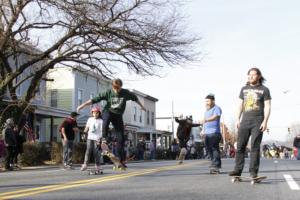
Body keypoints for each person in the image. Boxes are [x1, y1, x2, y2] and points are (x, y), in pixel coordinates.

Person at [77, 78, 146, 168]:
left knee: (121, 138)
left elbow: (135, 98)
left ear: (121, 87)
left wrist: (142, 106)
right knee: (106, 119)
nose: (117, 91)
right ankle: (104, 138)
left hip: (118, 116)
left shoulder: (126, 93)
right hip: (108, 112)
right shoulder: (108, 92)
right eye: (115, 89)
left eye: (118, 89)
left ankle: (120, 159)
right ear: (113, 87)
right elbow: (94, 100)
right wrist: (82, 106)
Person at [229, 67, 271, 178]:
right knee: (240, 146)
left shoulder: (264, 89)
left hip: (258, 121)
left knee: (255, 147)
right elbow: (240, 105)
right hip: (244, 121)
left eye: (253, 74)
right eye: (249, 75)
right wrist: (237, 119)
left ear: (259, 76)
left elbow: (267, 106)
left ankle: (253, 172)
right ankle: (237, 170)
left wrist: (265, 121)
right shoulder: (244, 89)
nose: (250, 76)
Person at [201, 94, 222, 173]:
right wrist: (202, 130)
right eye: (205, 101)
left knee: (214, 148)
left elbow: (216, 117)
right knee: (208, 149)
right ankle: (214, 163)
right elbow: (204, 122)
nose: (206, 103)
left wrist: (206, 120)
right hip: (207, 133)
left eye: (208, 101)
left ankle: (216, 166)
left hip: (214, 132)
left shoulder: (216, 108)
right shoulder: (206, 111)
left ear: (213, 101)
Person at [81, 107, 103, 171]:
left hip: (97, 138)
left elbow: (102, 131)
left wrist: (100, 139)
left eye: (97, 113)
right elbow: (87, 127)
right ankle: (85, 164)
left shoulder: (101, 121)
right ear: (92, 113)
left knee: (96, 152)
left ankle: (97, 165)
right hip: (90, 137)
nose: (95, 114)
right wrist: (84, 134)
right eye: (94, 113)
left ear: (99, 114)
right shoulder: (90, 119)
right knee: (88, 151)